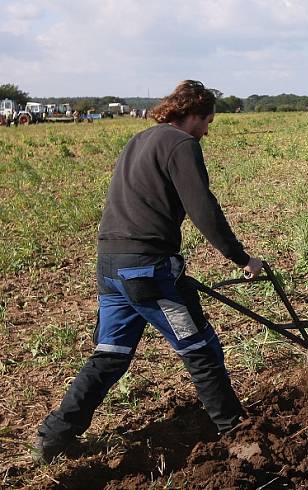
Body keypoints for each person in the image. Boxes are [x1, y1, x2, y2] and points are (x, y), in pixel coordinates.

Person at [33, 80, 264, 465]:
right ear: (192, 115)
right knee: (200, 348)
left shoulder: (138, 140)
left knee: (110, 354)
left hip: (110, 265)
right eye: (207, 121)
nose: (207, 130)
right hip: (146, 268)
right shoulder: (182, 145)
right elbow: (202, 207)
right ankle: (238, 434)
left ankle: (53, 436)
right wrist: (240, 257)